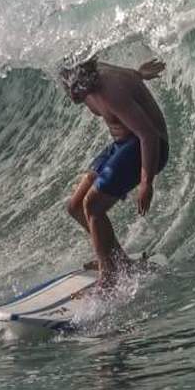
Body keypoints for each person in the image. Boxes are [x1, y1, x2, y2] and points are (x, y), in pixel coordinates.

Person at [60, 55, 170, 290]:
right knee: (75, 206)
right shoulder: (87, 80)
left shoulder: (110, 90)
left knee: (93, 205)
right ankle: (118, 262)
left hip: (149, 146)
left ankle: (108, 276)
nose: (71, 94)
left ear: (86, 80)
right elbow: (129, 76)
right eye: (67, 86)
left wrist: (146, 182)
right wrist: (139, 74)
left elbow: (149, 135)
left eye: (75, 88)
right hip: (123, 144)